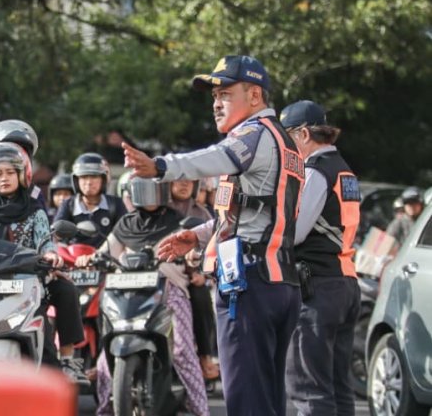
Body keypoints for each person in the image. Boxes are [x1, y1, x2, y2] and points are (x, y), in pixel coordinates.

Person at [125, 55, 304, 416]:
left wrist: (161, 166)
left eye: (225, 93)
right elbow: (259, 213)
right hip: (278, 281)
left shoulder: (252, 135)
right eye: (213, 96)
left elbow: (214, 158)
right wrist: (200, 235)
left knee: (245, 399)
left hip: (250, 282)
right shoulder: (284, 142)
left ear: (254, 96)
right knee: (266, 398)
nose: (216, 104)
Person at [0, 142, 89, 386]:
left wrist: (51, 256)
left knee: (67, 289)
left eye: (9, 172)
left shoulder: (35, 212)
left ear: (21, 175)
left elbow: (45, 242)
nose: (4, 178)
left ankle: (68, 360)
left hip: (27, 282)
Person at [77, 177, 210, 416]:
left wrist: (193, 259)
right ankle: (106, 407)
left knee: (182, 350)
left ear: (162, 191)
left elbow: (192, 252)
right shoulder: (125, 224)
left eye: (153, 189)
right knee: (106, 354)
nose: (148, 195)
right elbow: (107, 251)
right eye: (142, 189)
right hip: (125, 292)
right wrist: (89, 259)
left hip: (169, 288)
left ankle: (200, 408)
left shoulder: (177, 222)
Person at [278, 100, 361, 416]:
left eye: (287, 138)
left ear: (302, 134)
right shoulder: (345, 171)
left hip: (318, 287)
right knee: (339, 390)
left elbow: (295, 232)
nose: (286, 147)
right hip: (345, 282)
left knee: (309, 390)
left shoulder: (315, 172)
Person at [168, 179, 219, 382]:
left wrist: (202, 273)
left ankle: (205, 357)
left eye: (190, 182)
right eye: (179, 181)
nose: (184, 185)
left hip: (192, 276)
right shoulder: (160, 209)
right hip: (163, 275)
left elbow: (214, 245)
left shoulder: (203, 214)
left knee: (201, 296)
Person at [54, 152, 127, 247]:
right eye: (84, 177)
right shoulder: (68, 204)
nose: (88, 182)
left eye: (94, 176)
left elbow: (125, 234)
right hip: (73, 258)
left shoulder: (116, 204)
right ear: (76, 180)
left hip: (107, 257)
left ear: (103, 180)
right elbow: (56, 233)